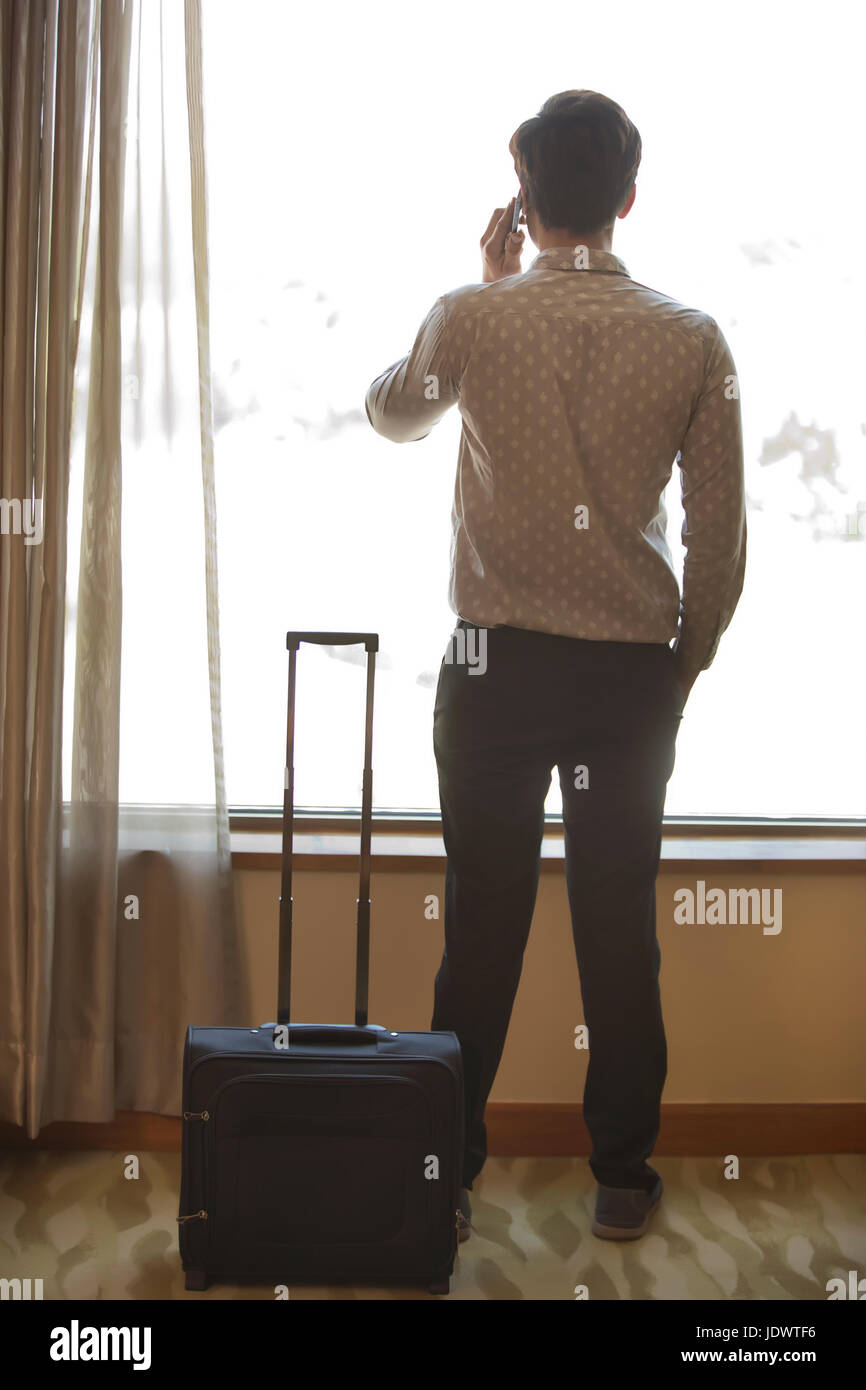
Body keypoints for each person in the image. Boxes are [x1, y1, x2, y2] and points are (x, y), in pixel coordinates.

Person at [365, 89, 746, 1243]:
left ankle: (448, 1170)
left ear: (520, 203)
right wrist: (684, 662)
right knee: (615, 929)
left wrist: (482, 294)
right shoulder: (691, 337)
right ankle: (622, 1176)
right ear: (628, 200)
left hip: (490, 669)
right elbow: (716, 536)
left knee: (480, 925)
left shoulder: (472, 316)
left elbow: (391, 416)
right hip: (627, 676)